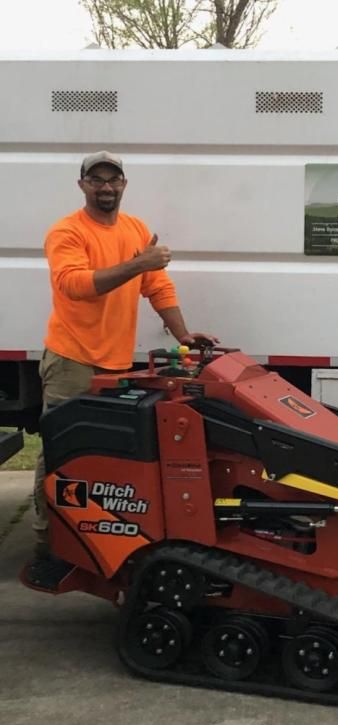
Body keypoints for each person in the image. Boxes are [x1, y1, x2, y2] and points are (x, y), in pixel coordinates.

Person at [27, 151, 218, 587]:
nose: (106, 187)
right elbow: (75, 286)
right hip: (72, 359)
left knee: (98, 455)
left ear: (124, 184)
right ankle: (49, 545)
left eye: (113, 180)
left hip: (114, 362)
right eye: (96, 180)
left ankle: (90, 539)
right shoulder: (67, 231)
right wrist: (138, 263)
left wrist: (183, 335)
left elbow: (157, 286)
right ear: (82, 186)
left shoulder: (134, 229)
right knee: (61, 453)